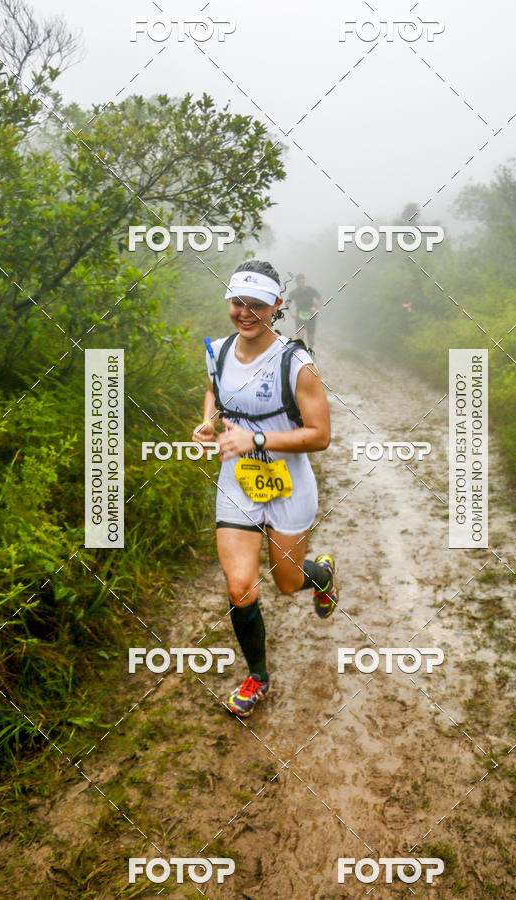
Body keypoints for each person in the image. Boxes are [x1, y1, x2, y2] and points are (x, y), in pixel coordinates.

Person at [191, 259, 338, 718]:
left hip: (288, 484)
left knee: (287, 582)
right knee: (240, 587)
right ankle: (258, 675)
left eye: (257, 303)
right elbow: (216, 390)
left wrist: (255, 437)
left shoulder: (297, 363)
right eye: (237, 301)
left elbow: (320, 435)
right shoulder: (217, 351)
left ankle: (322, 576)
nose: (245, 311)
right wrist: (209, 421)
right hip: (238, 480)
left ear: (277, 305)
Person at [288, 273, 321, 351]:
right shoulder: (294, 292)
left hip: (311, 316)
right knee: (300, 337)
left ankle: (310, 351)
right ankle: (302, 354)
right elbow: (288, 303)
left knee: (311, 339)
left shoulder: (311, 290)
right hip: (300, 315)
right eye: (299, 282)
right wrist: (292, 312)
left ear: (305, 281)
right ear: (296, 282)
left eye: (302, 281)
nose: (301, 283)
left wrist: (315, 308)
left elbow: (320, 299)